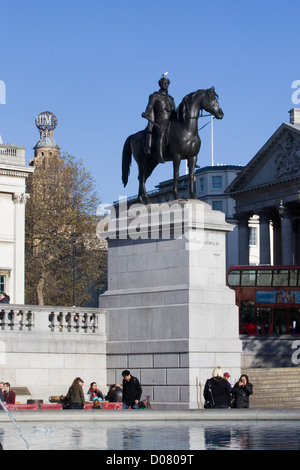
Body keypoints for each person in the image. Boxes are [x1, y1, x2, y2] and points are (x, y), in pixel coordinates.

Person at [142, 74, 176, 163]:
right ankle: (160, 155)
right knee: (161, 133)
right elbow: (150, 106)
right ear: (160, 84)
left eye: (167, 83)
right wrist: (146, 113)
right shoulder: (155, 96)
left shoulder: (171, 99)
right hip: (159, 121)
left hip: (171, 121)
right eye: (163, 83)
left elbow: (174, 111)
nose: (165, 84)